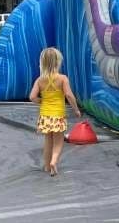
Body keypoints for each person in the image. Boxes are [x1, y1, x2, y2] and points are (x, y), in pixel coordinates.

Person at [29, 47, 81, 176]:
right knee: (58, 142)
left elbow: (32, 97)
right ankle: (54, 161)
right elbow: (69, 95)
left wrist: (42, 101)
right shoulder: (62, 78)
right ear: (58, 62)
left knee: (48, 141)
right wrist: (76, 109)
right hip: (57, 116)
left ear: (43, 63)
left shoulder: (40, 80)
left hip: (45, 116)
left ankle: (47, 166)